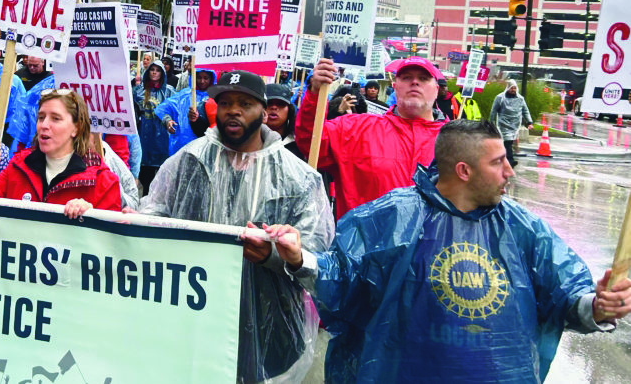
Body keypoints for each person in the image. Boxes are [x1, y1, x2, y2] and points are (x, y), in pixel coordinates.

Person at [266, 120, 631, 383]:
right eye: (497, 162)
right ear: (464, 170)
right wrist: (299, 258)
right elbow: (341, 280)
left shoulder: (522, 227)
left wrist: (595, 306)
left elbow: (565, 288)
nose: (510, 172)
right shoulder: (391, 217)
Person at [138, 70, 334, 383]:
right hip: (192, 318)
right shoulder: (187, 161)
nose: (233, 110)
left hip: (269, 330)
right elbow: (151, 217)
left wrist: (276, 254)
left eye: (245, 102)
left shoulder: (298, 177)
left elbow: (317, 259)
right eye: (225, 102)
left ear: (264, 109)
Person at [295, 56, 447, 219]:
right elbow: (312, 142)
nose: (415, 82)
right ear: (394, 87)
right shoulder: (356, 129)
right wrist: (316, 93)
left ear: (436, 89)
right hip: (364, 243)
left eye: (423, 78)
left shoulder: (457, 141)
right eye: (407, 77)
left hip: (435, 243)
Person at [0, 89, 121, 217]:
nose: (44, 125)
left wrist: (91, 216)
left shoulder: (103, 183)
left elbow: (110, 244)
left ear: (77, 128)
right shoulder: (18, 167)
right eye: (41, 117)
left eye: (56, 119)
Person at [133, 61, 175, 193]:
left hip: (162, 136)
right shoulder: (139, 90)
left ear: (162, 73)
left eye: (158, 70)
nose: (154, 72)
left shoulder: (169, 91)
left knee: (163, 175)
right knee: (146, 175)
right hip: (144, 136)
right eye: (152, 69)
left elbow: (174, 111)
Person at [155, 68, 214, 156]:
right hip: (181, 145)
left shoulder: (215, 98)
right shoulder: (183, 95)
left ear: (211, 79)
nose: (202, 81)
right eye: (199, 77)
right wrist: (168, 121)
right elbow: (162, 109)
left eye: (206, 78)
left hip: (205, 148)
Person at [489, 79, 533, 166]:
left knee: (508, 142)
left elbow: (525, 111)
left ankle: (499, 159)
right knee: (508, 142)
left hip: (515, 125)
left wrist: (529, 122)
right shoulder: (500, 98)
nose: (513, 90)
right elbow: (493, 111)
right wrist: (491, 123)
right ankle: (510, 160)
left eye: (515, 88)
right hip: (503, 124)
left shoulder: (520, 99)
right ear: (508, 88)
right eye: (511, 88)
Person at [264, 83, 303, 159]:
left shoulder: (299, 144)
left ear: (289, 110)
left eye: (280, 104)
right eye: (269, 103)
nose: (274, 107)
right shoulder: (249, 142)